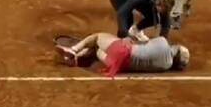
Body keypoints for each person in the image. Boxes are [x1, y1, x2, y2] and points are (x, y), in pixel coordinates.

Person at [55, 32, 190, 77]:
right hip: (116, 65)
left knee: (98, 37)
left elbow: (140, 43)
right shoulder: (166, 66)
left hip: (120, 52)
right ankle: (76, 60)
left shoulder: (163, 42)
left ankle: (74, 49)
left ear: (176, 50)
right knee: (96, 50)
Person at [110, 0, 174, 41]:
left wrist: (163, 42)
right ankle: (120, 42)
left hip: (139, 1)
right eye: (160, 5)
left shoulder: (160, 0)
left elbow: (166, 23)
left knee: (155, 18)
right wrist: (125, 34)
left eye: (164, 9)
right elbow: (122, 12)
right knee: (128, 21)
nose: (160, 10)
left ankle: (135, 30)